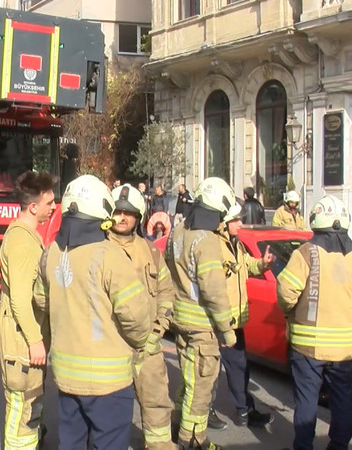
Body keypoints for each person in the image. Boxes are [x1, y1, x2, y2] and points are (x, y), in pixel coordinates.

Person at [38, 175, 152, 450]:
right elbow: (136, 318)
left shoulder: (51, 252)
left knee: (71, 444)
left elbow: (42, 302)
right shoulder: (110, 255)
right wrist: (139, 343)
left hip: (66, 377)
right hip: (108, 384)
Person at [276, 195, 352, 450]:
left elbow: (285, 291)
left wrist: (292, 312)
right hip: (343, 348)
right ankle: (339, 445)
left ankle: (303, 446)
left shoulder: (306, 253)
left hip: (307, 347)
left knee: (307, 401)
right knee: (343, 400)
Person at [165, 177, 238, 450]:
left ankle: (178, 425)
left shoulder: (178, 231)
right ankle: (193, 440)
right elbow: (214, 291)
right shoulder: (206, 240)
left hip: (180, 319)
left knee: (188, 378)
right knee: (202, 384)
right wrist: (227, 331)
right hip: (202, 325)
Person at [110, 184, 176, 450]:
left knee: (157, 403)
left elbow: (166, 291)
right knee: (111, 410)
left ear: (138, 216)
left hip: (148, 346)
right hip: (113, 347)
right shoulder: (99, 249)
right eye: (117, 212)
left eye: (128, 213)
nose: (122, 217)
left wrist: (159, 329)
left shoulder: (150, 251)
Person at [0, 171, 57, 450]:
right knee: (22, 411)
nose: (54, 207)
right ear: (33, 207)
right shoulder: (21, 241)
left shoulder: (27, 235)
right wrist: (35, 339)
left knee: (30, 407)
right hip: (21, 342)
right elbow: (21, 299)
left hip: (24, 339)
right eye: (49, 203)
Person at [206, 203, 276, 431]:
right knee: (209, 371)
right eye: (236, 220)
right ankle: (204, 410)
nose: (241, 224)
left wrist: (262, 264)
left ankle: (244, 410)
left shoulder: (236, 244)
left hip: (235, 320)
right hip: (219, 320)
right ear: (224, 222)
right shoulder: (213, 245)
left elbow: (246, 266)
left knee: (240, 368)